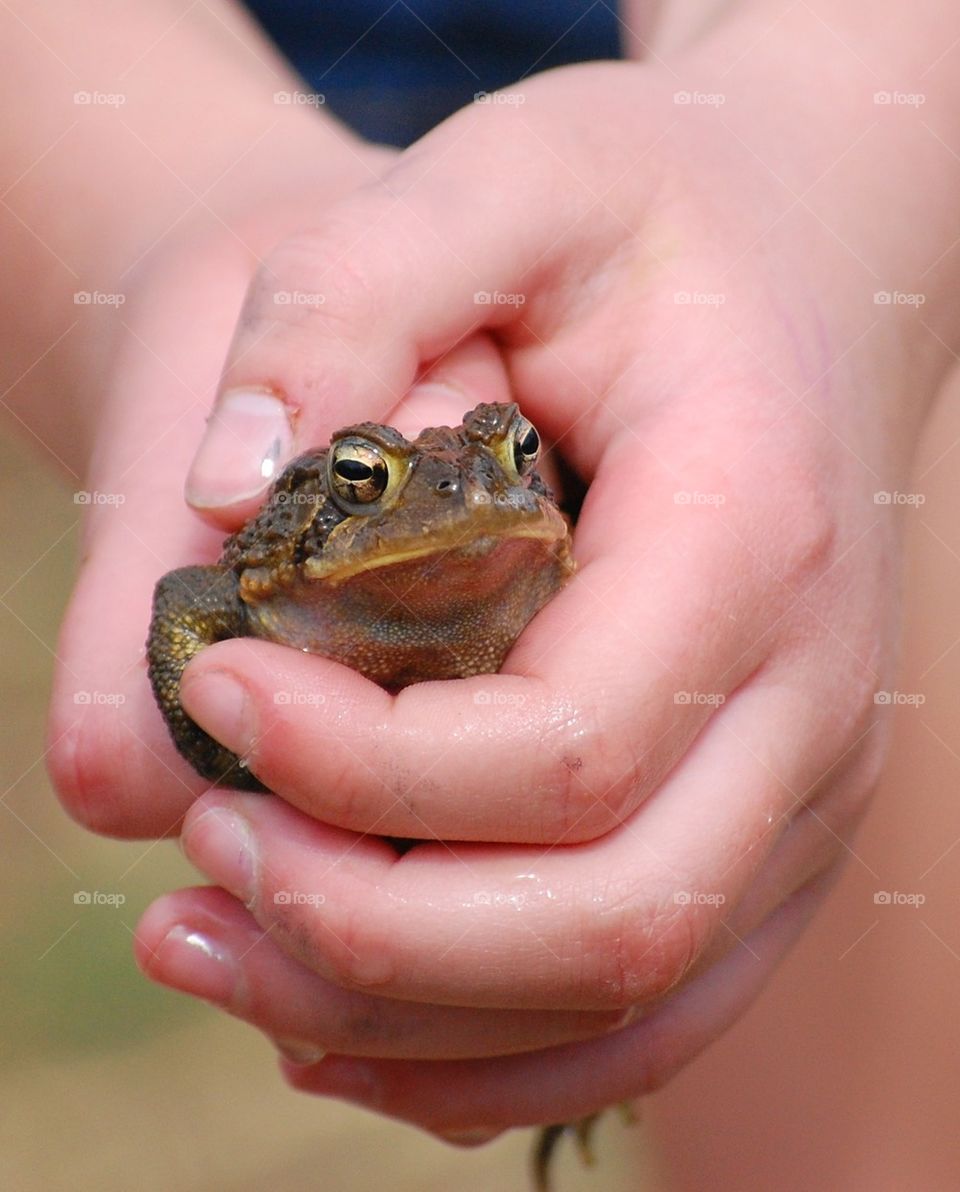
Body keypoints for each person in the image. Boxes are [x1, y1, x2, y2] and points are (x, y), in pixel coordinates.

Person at [5, 0, 956, 1182]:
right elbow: (188, 599)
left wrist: (849, 168)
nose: (463, 501)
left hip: (676, 166)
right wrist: (146, 221)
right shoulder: (276, 578)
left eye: (506, 465)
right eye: (370, 482)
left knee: (764, 907)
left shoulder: (542, 542)